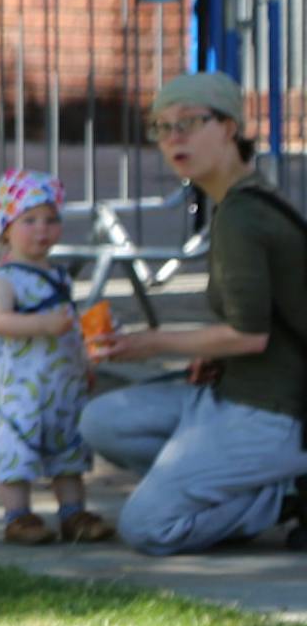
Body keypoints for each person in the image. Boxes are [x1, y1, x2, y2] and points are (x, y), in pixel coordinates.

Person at [81, 73, 307, 553]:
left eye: (189, 122)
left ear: (228, 128)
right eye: (162, 128)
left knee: (146, 528)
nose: (173, 138)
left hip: (271, 412)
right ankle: (258, 485)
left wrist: (150, 343)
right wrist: (213, 356)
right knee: (102, 421)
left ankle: (283, 493)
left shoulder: (244, 217)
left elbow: (249, 336)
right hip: (231, 392)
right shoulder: (238, 203)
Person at [0, 169, 107, 546]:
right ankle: (18, 516)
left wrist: (84, 361)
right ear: (5, 228)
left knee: (67, 447)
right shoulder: (7, 280)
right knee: (17, 451)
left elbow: (69, 325)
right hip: (22, 389)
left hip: (62, 385)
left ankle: (73, 513)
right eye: (29, 220)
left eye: (51, 220)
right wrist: (41, 324)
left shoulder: (59, 276)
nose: (43, 229)